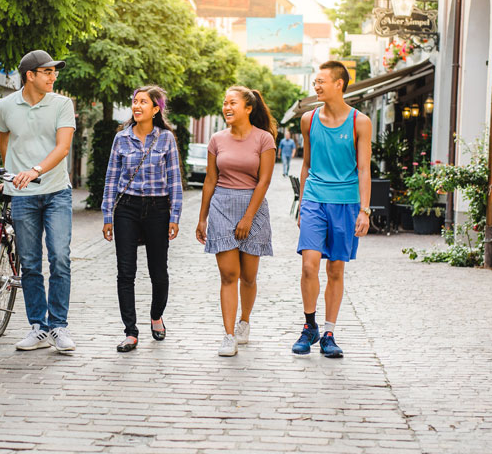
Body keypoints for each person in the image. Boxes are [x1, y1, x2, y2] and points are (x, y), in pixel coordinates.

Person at [0, 49, 77, 352]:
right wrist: (9, 178)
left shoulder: (62, 104)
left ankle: (59, 327)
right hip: (22, 196)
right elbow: (6, 145)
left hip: (56, 192)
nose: (54, 77)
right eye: (47, 72)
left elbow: (63, 147)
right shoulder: (4, 107)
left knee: (60, 258)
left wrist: (35, 170)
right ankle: (39, 328)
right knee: (29, 264)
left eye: (55, 72)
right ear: (30, 75)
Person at [292, 61, 371, 358]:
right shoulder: (308, 120)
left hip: (346, 202)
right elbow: (307, 164)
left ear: (339, 84)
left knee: (335, 269)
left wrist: (365, 210)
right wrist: (302, 203)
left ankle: (328, 333)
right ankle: (309, 325)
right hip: (314, 198)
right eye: (315, 81)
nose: (316, 86)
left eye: (322, 81)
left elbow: (364, 169)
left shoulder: (359, 122)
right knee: (309, 264)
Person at [196, 86, 277, 356]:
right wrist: (202, 218)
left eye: (232, 103)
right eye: (224, 103)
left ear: (248, 108)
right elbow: (210, 179)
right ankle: (228, 335)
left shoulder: (264, 139)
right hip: (221, 206)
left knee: (249, 277)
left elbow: (264, 181)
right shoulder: (217, 140)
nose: (226, 107)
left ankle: (245, 322)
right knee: (229, 274)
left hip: (252, 207)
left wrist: (248, 217)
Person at [102, 86, 183, 353]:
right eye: (135, 102)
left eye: (143, 102)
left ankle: (156, 315)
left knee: (159, 272)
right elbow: (111, 178)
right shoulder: (121, 138)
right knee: (126, 272)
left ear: (156, 109)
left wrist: (175, 216)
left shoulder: (166, 138)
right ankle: (131, 331)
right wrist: (107, 215)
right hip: (126, 208)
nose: (137, 106)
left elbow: (175, 180)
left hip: (158, 209)